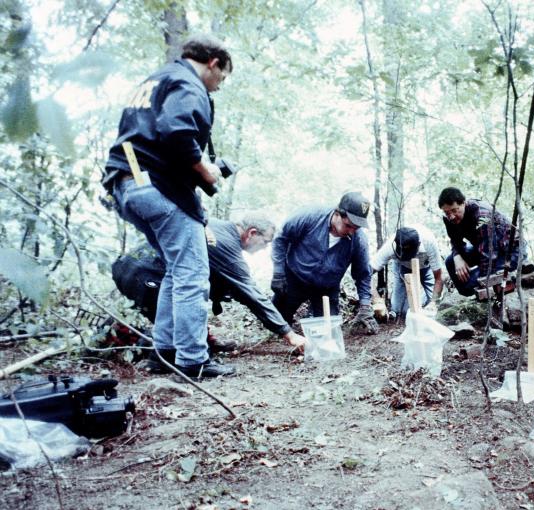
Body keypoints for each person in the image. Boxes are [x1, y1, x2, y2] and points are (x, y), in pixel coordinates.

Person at [102, 35, 235, 380]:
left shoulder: (156, 80)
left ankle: (164, 353)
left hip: (127, 183)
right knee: (192, 275)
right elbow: (176, 131)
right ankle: (193, 361)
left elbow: (155, 134)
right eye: (221, 78)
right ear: (213, 63)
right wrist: (206, 170)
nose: (218, 86)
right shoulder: (188, 83)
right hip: (157, 188)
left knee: (176, 273)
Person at [112, 215, 308, 368]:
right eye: (266, 242)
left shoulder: (218, 228)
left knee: (191, 296)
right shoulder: (225, 245)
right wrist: (289, 334)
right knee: (173, 318)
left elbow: (235, 289)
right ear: (252, 233)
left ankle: (194, 345)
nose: (265, 248)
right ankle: (160, 359)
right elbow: (251, 295)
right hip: (143, 273)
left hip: (131, 268)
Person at [270, 192, 379, 334]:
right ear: (338, 213)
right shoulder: (309, 216)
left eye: (356, 228)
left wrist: (365, 306)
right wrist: (278, 272)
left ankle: (313, 314)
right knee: (275, 324)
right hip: (295, 278)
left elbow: (363, 274)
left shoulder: (358, 240)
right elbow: (281, 239)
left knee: (329, 332)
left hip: (326, 289)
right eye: (348, 226)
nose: (352, 232)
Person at [437, 187, 527, 296]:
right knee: (450, 261)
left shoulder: (482, 215)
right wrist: (457, 256)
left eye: (454, 210)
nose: (451, 216)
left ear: (463, 203)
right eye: (447, 212)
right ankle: (468, 289)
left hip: (510, 251)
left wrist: (482, 280)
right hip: (484, 248)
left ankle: (478, 288)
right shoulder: (449, 218)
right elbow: (455, 240)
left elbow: (489, 254)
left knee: (472, 283)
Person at [369, 225, 444, 319]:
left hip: (425, 268)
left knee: (434, 306)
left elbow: (439, 277)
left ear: (419, 244)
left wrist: (433, 302)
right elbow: (365, 273)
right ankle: (403, 307)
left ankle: (424, 297)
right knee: (400, 310)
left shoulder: (428, 242)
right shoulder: (389, 247)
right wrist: (377, 300)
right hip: (403, 269)